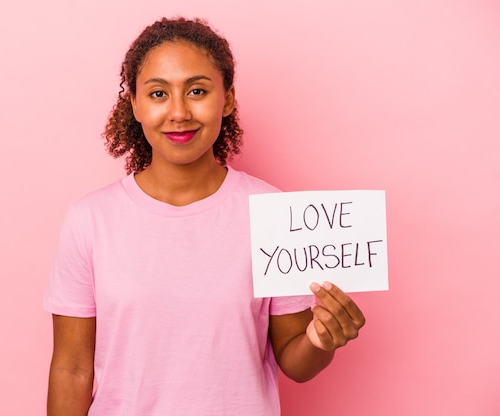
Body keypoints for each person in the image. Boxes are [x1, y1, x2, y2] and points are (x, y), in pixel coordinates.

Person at [44, 17, 365, 416]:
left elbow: (294, 360)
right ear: (135, 104)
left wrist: (321, 340)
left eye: (197, 90)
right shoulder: (89, 220)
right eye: (158, 93)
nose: (178, 112)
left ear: (228, 99)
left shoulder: (271, 212)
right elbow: (72, 368)